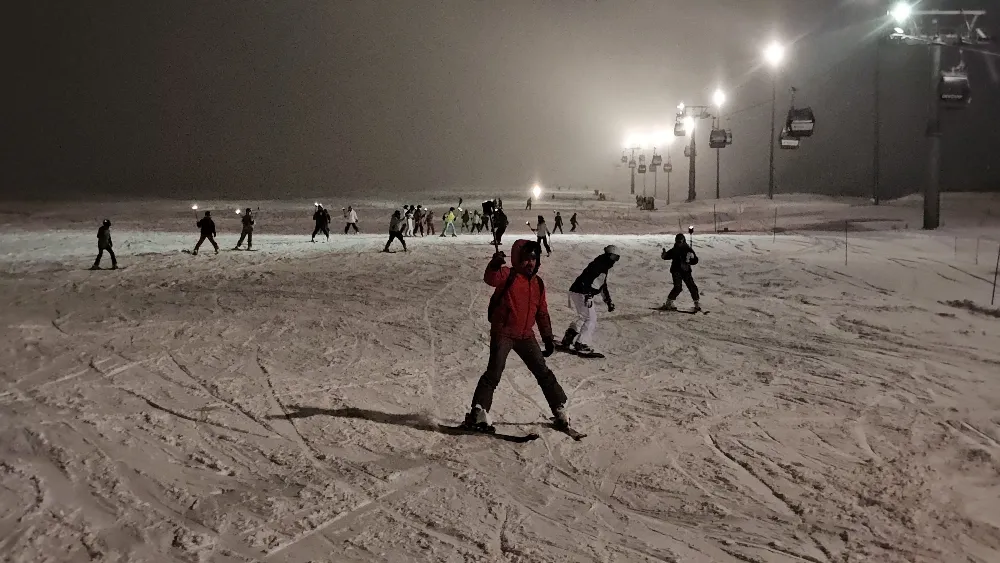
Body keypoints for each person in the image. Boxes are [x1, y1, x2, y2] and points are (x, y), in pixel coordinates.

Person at [463, 239, 570, 432]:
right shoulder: (508, 275)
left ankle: (559, 409)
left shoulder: (538, 283)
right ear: (517, 259)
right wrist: (494, 264)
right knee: (494, 373)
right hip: (503, 333)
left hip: (526, 335)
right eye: (527, 259)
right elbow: (491, 278)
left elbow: (542, 312)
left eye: (534, 259)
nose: (531, 263)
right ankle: (478, 412)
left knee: (543, 372)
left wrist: (547, 337)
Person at [561, 245, 620, 354]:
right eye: (613, 257)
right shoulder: (598, 265)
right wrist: (587, 295)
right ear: (608, 255)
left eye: (617, 258)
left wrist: (608, 301)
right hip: (581, 292)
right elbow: (586, 279)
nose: (614, 261)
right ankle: (581, 343)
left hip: (578, 291)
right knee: (591, 318)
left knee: (584, 317)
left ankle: (568, 338)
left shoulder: (602, 265)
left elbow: (602, 285)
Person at [661, 233, 700, 311]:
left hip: (686, 271)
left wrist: (692, 259)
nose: (678, 243)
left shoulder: (688, 249)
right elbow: (667, 256)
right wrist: (664, 255)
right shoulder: (674, 249)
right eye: (677, 242)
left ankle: (696, 303)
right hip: (676, 270)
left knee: (692, 287)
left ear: (683, 241)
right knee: (678, 287)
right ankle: (669, 302)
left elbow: (695, 261)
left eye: (680, 242)